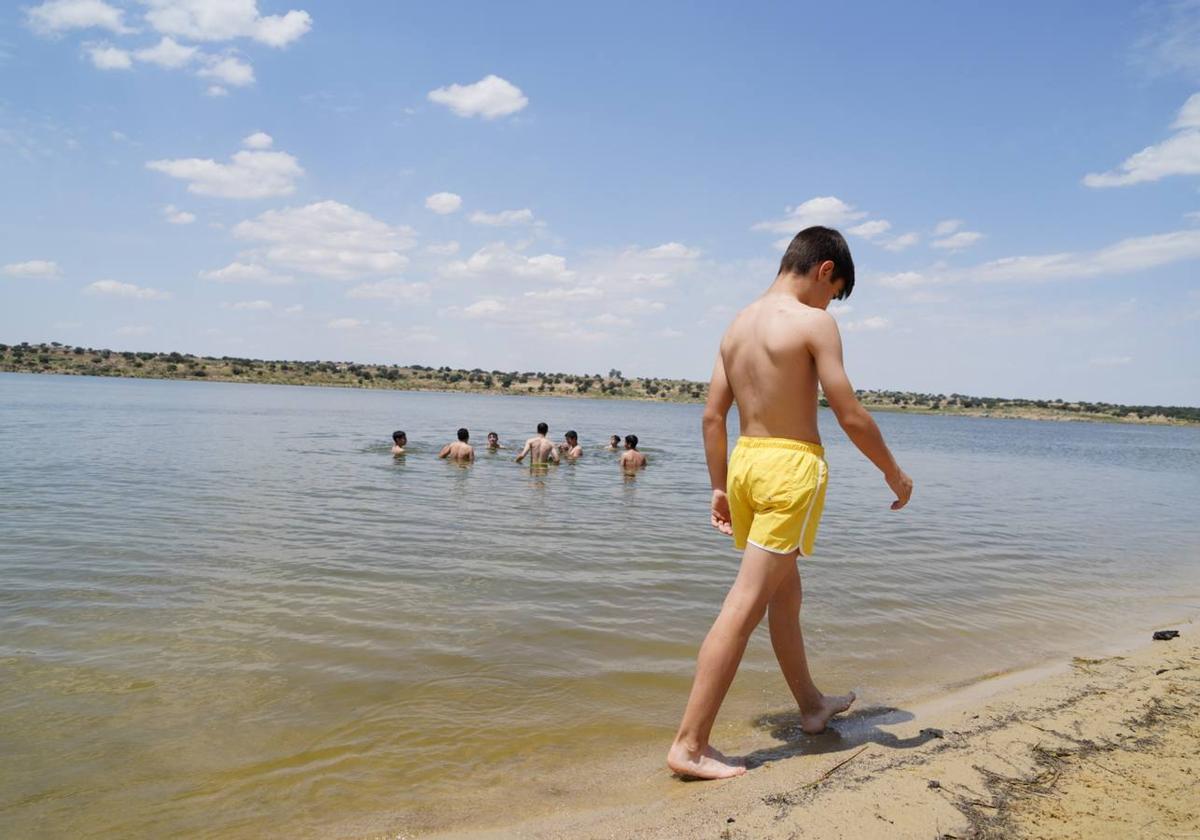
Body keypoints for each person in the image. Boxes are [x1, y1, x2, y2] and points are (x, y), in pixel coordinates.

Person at [666, 225, 913, 781]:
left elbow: (712, 416)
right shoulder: (813, 323)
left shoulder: (736, 326)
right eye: (835, 291)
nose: (832, 304)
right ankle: (690, 744)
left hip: (747, 467)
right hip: (789, 469)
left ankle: (810, 705)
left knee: (784, 596)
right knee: (746, 603)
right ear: (825, 270)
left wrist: (719, 485)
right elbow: (848, 412)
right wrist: (893, 473)